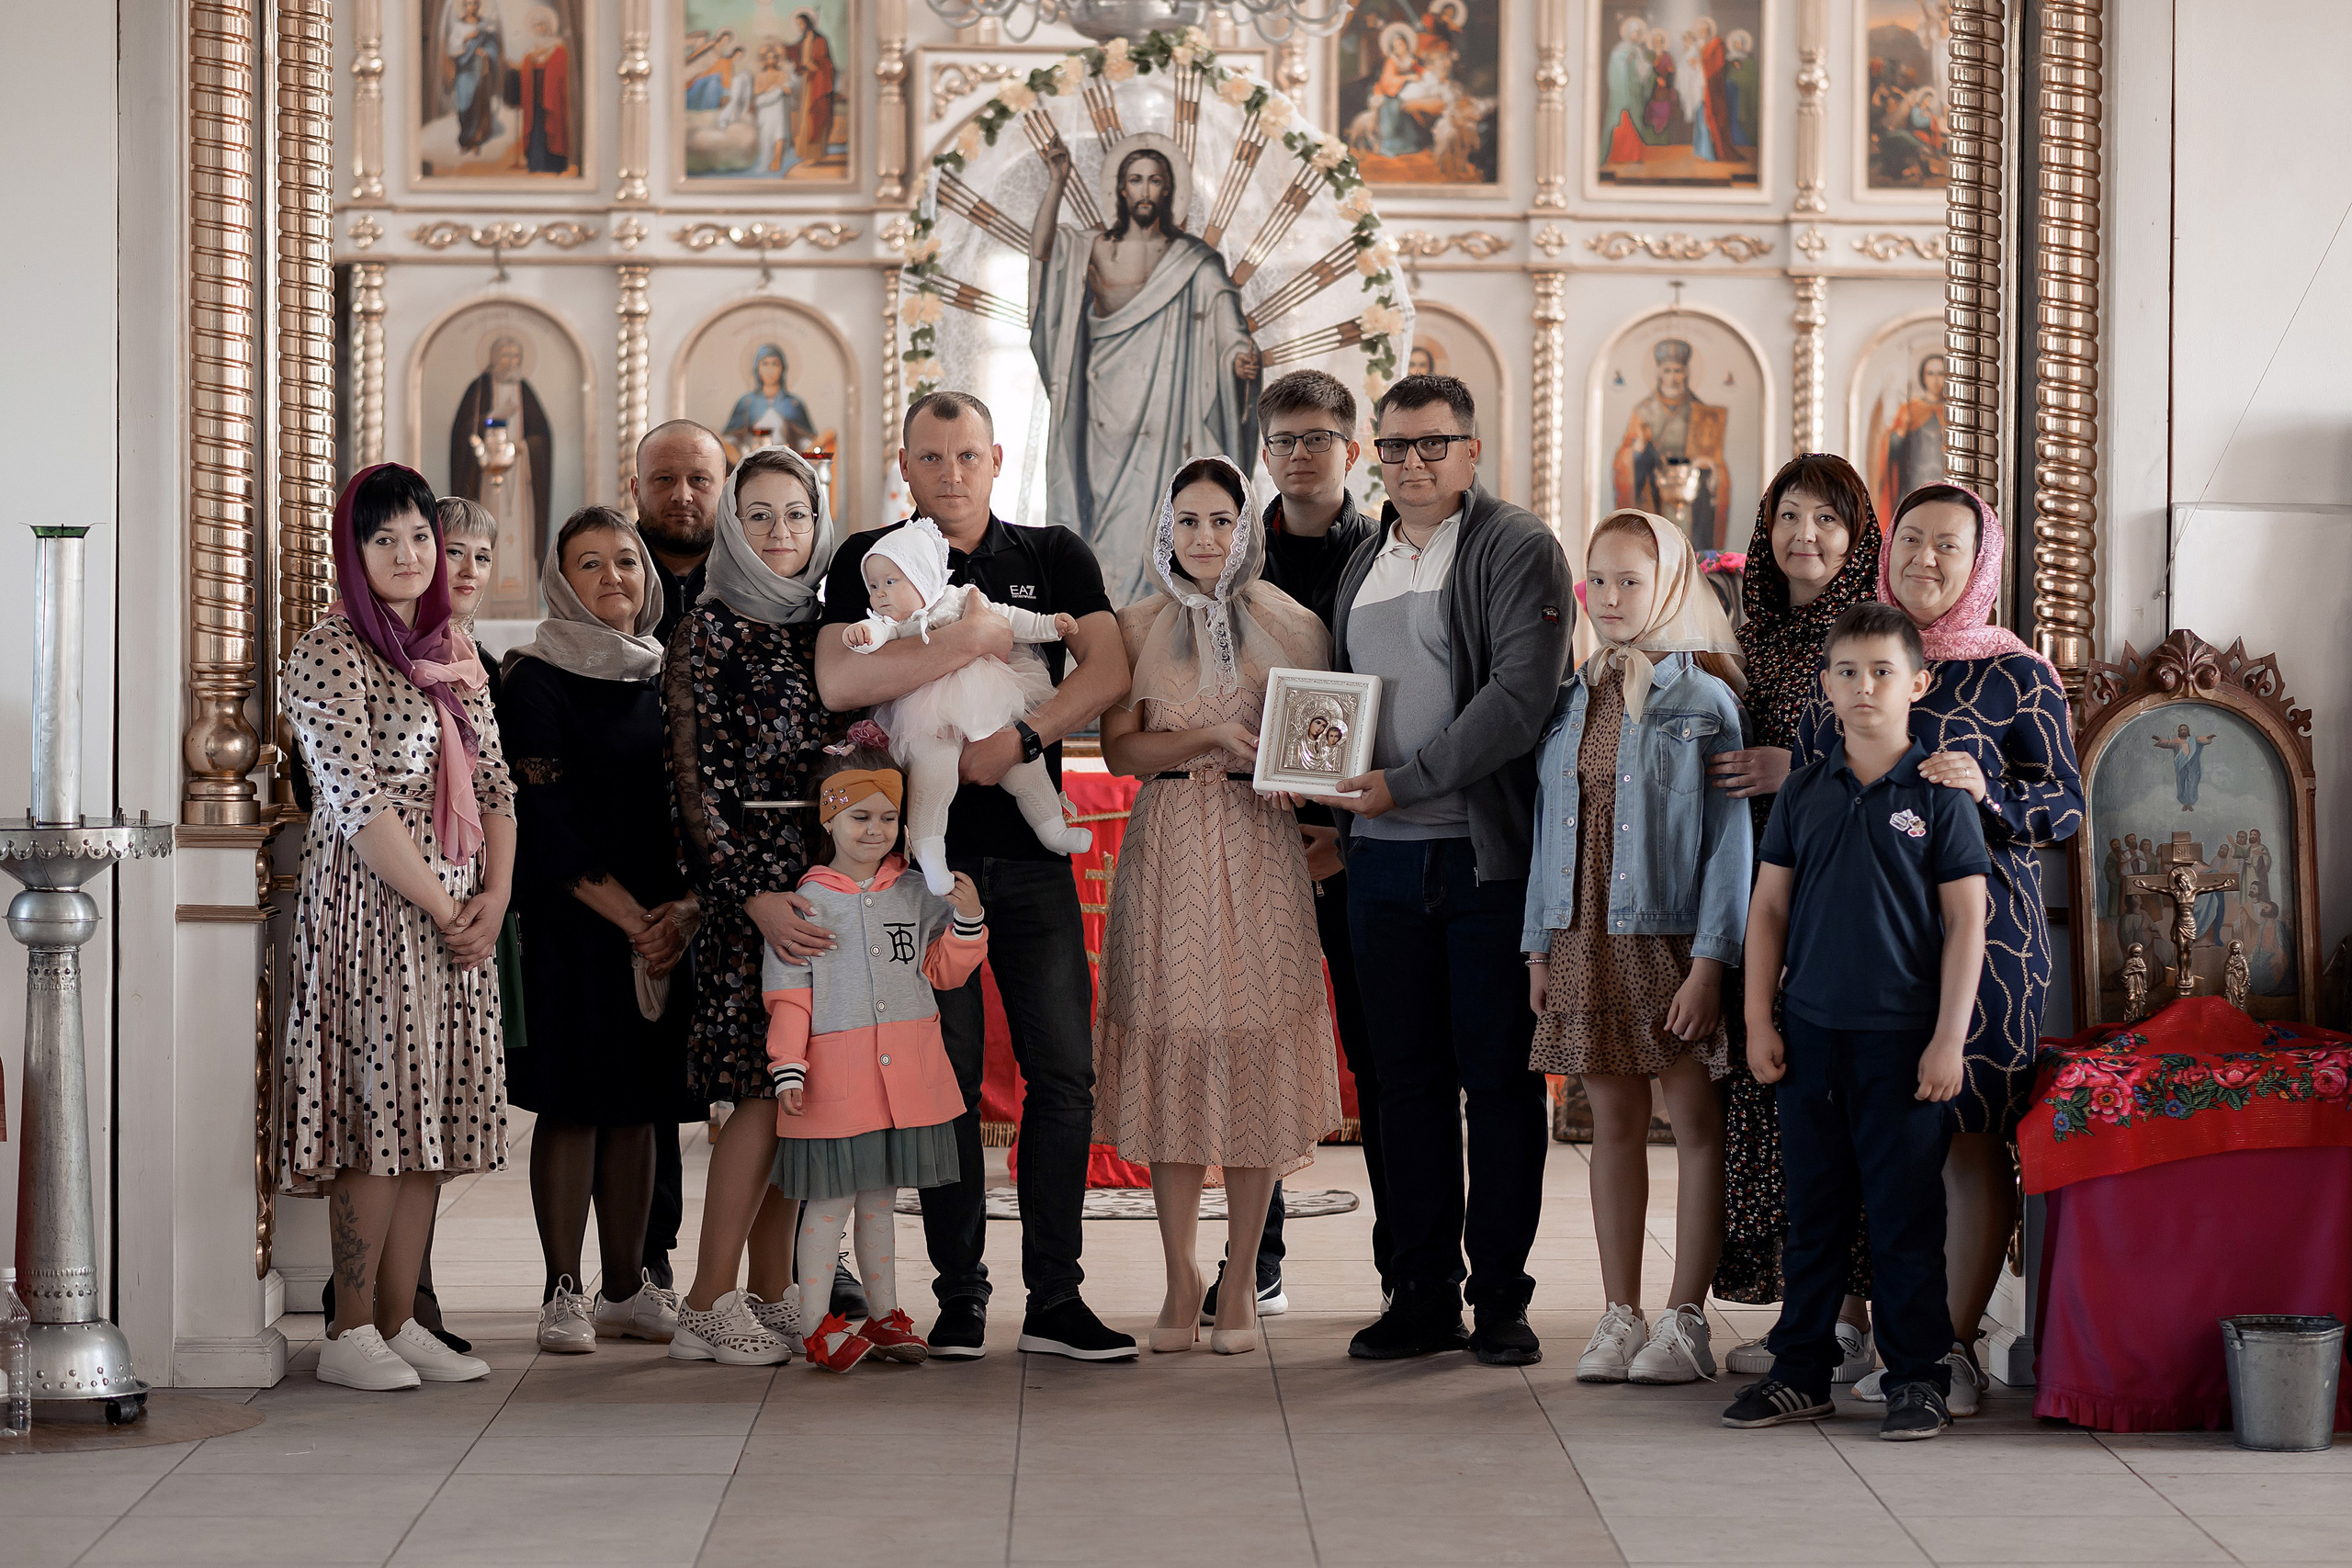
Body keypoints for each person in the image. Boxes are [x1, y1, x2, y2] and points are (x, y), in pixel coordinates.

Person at [818, 390, 1136, 1362]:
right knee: (944, 1081)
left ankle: (1055, 1301)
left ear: (996, 459)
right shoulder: (871, 558)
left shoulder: (1051, 554)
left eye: (967, 456)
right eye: (930, 458)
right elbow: (840, 681)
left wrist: (1025, 736)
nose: (950, 475)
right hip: (923, 867)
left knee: (1064, 1074)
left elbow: (1108, 664)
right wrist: (978, 638)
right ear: (903, 465)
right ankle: (960, 1298)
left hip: (1031, 860)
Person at [1801, 483, 2082, 1415]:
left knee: (1961, 1140)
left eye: (1947, 546)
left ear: (1980, 562)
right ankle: (1856, 1331)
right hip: (1854, 939)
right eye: (1910, 539)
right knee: (1861, 1139)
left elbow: (2070, 808)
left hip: (1986, 938)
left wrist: (1988, 790)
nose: (1925, 558)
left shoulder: (2018, 676)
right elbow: (1810, 782)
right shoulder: (1852, 653)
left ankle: (1947, 1350)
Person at [1318, 374, 1572, 1366]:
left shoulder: (1514, 547)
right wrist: (1329, 797)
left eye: (1434, 444)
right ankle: (1418, 1292)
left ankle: (1500, 1300)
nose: (1413, 462)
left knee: (1501, 1085)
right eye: (1395, 447)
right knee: (1403, 1087)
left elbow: (1518, 696)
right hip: (1380, 863)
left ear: (1471, 451)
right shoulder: (1362, 561)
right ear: (1372, 457)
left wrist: (1407, 780)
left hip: (1483, 863)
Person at [1723, 602, 1990, 1441]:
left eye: (1881, 671)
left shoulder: (1941, 796)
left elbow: (1966, 925)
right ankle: (1800, 1369)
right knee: (1816, 1214)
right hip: (1810, 1035)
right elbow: (1767, 912)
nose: (1864, 686)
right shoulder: (1804, 788)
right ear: (1827, 684)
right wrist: (1759, 1020)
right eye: (1847, 671)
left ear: (1918, 681)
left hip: (1906, 1043)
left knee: (1906, 1215)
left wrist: (1949, 1037)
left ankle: (1916, 1375)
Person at [1096, 456, 1339, 1357]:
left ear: (1249, 529)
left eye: (1222, 521)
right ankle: (1176, 1273)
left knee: (1248, 1052)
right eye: (1189, 521)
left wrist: (1296, 782)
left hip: (1259, 848)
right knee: (1174, 1045)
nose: (1206, 538)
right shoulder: (1135, 624)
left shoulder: (1296, 625)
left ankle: (1241, 1273)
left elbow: (1324, 744)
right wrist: (1201, 734)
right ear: (1167, 531)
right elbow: (1122, 753)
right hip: (1168, 851)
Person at [277, 462, 513, 1391]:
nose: (409, 555)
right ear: (355, 553)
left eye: (420, 536)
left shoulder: (452, 649)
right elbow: (355, 802)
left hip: (457, 916)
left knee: (436, 1118)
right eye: (385, 540)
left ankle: (399, 1315)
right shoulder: (329, 652)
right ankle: (346, 1330)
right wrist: (450, 904)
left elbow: (496, 783)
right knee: (380, 1119)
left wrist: (493, 901)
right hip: (373, 915)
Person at [1526, 510, 1752, 1386]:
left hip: (1671, 939)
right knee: (1609, 1123)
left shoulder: (1706, 701)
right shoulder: (1572, 697)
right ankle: (1618, 1313)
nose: (1612, 598)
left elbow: (1730, 843)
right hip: (1584, 935)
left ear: (1668, 585)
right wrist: (1540, 945)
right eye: (1599, 580)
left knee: (1693, 1125)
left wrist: (1711, 960)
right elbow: (1555, 826)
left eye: (1631, 580)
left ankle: (1685, 1317)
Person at [1197, 368, 1385, 1326]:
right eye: (1282, 440)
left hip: (1364, 842)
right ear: (1261, 453)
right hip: (1250, 839)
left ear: (1353, 450)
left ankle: (1410, 1269)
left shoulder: (1391, 552)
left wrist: (1344, 838)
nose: (1300, 455)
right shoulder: (1231, 557)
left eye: (1318, 437)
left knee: (1383, 1059)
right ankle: (1252, 1257)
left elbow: (1395, 702)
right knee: (1253, 1053)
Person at [498, 506, 699, 1353]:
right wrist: (632, 919)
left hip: (663, 919)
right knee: (576, 1104)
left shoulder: (666, 671)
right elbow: (545, 813)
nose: (613, 577)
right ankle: (562, 1290)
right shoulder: (535, 675)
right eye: (591, 564)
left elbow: (694, 797)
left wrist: (681, 912)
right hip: (576, 920)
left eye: (625, 560)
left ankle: (629, 1285)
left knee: (641, 1106)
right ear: (561, 579)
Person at [664, 446, 846, 1365]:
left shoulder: (823, 624)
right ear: (733, 526)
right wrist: (755, 897)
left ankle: (774, 1290)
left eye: (798, 514)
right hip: (750, 890)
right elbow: (696, 791)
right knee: (756, 1095)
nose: (782, 533)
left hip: (818, 887)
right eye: (761, 515)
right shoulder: (708, 628)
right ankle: (704, 1300)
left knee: (800, 1094)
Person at [1705, 456, 1885, 1379]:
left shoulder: (1873, 633)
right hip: (1756, 883)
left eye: (1825, 518)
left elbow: (1893, 749)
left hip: (1841, 886)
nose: (1802, 536)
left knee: (1839, 1094)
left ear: (1858, 535)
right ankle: (1808, 1315)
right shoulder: (1753, 627)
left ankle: (1856, 1318)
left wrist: (1794, 771)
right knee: (1777, 1098)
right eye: (1786, 516)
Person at [768, 745, 985, 1372]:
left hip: (900, 1079)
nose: (875, 831)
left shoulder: (916, 895)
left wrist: (967, 922)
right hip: (835, 1081)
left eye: (887, 818)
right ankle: (816, 1326)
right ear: (829, 820)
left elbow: (944, 972)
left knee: (881, 1202)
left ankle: (886, 1315)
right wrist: (788, 1063)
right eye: (859, 817)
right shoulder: (806, 901)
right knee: (830, 1204)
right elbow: (789, 991)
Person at [1030, 136, 1261, 601]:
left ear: (1169, 190)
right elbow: (1043, 255)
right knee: (1109, 524)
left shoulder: (1194, 260)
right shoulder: (1094, 249)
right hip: (1104, 415)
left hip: (1171, 417)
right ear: (1120, 189)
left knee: (1167, 508)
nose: (1145, 190)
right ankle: (1108, 612)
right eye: (1135, 180)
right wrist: (1056, 182)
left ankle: (1169, 608)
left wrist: (1238, 357)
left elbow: (1226, 322)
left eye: (1155, 180)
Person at [843, 519, 1091, 891]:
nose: (880, 594)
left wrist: (1048, 625)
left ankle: (1053, 828)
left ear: (922, 574)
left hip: (986, 701)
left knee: (1026, 767)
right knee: (934, 775)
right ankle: (929, 851)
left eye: (891, 582)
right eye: (874, 585)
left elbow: (1008, 617)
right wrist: (863, 634)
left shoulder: (959, 598)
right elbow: (878, 633)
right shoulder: (895, 624)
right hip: (927, 717)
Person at [628, 419, 729, 1291]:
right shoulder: (616, 591)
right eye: (665, 479)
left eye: (699, 478)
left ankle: (803, 1262)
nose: (683, 494)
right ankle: (648, 1260)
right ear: (637, 492)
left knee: (774, 1073)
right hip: (645, 871)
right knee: (647, 1086)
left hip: (740, 870)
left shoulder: (759, 592)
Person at [1611, 340, 1728, 551]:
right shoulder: (1643, 411)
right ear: (1658, 373)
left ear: (1686, 373)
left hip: (1691, 490)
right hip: (1655, 488)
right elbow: (1624, 458)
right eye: (1667, 370)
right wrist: (1636, 452)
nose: (1673, 377)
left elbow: (1715, 460)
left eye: (1678, 370)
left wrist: (1709, 465)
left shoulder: (1700, 410)